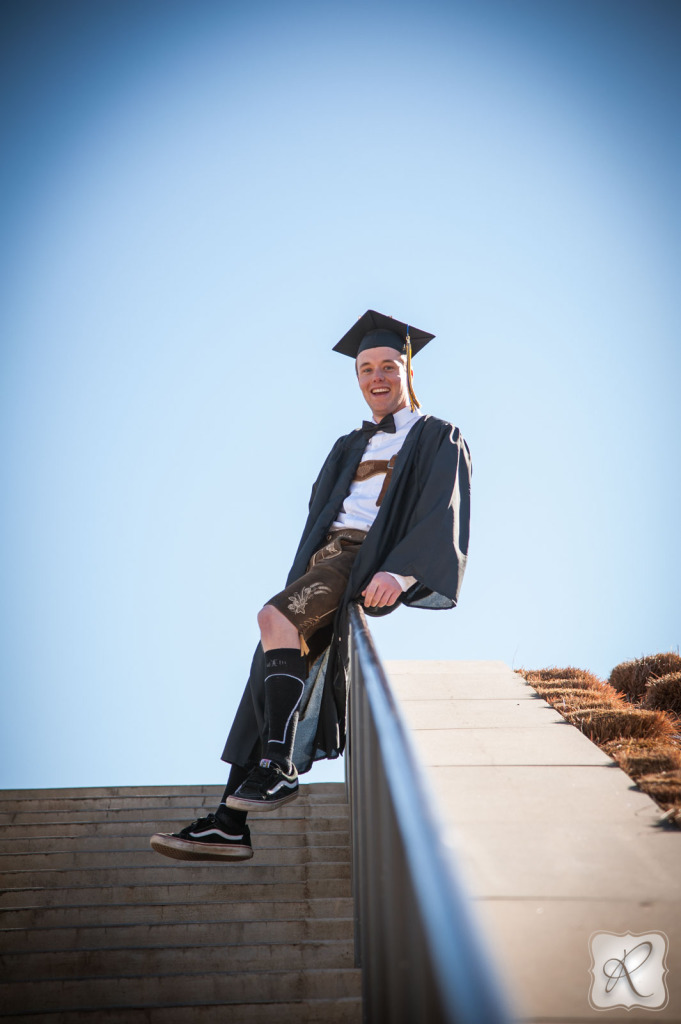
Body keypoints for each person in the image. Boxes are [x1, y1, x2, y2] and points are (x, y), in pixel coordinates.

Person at [151, 309, 471, 862]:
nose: (377, 377)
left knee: (273, 620)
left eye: (388, 366)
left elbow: (442, 508)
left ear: (408, 370)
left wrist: (399, 571)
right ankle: (230, 823)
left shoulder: (437, 436)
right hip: (321, 563)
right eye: (366, 368)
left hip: (362, 556)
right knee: (264, 680)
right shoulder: (349, 444)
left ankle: (279, 769)